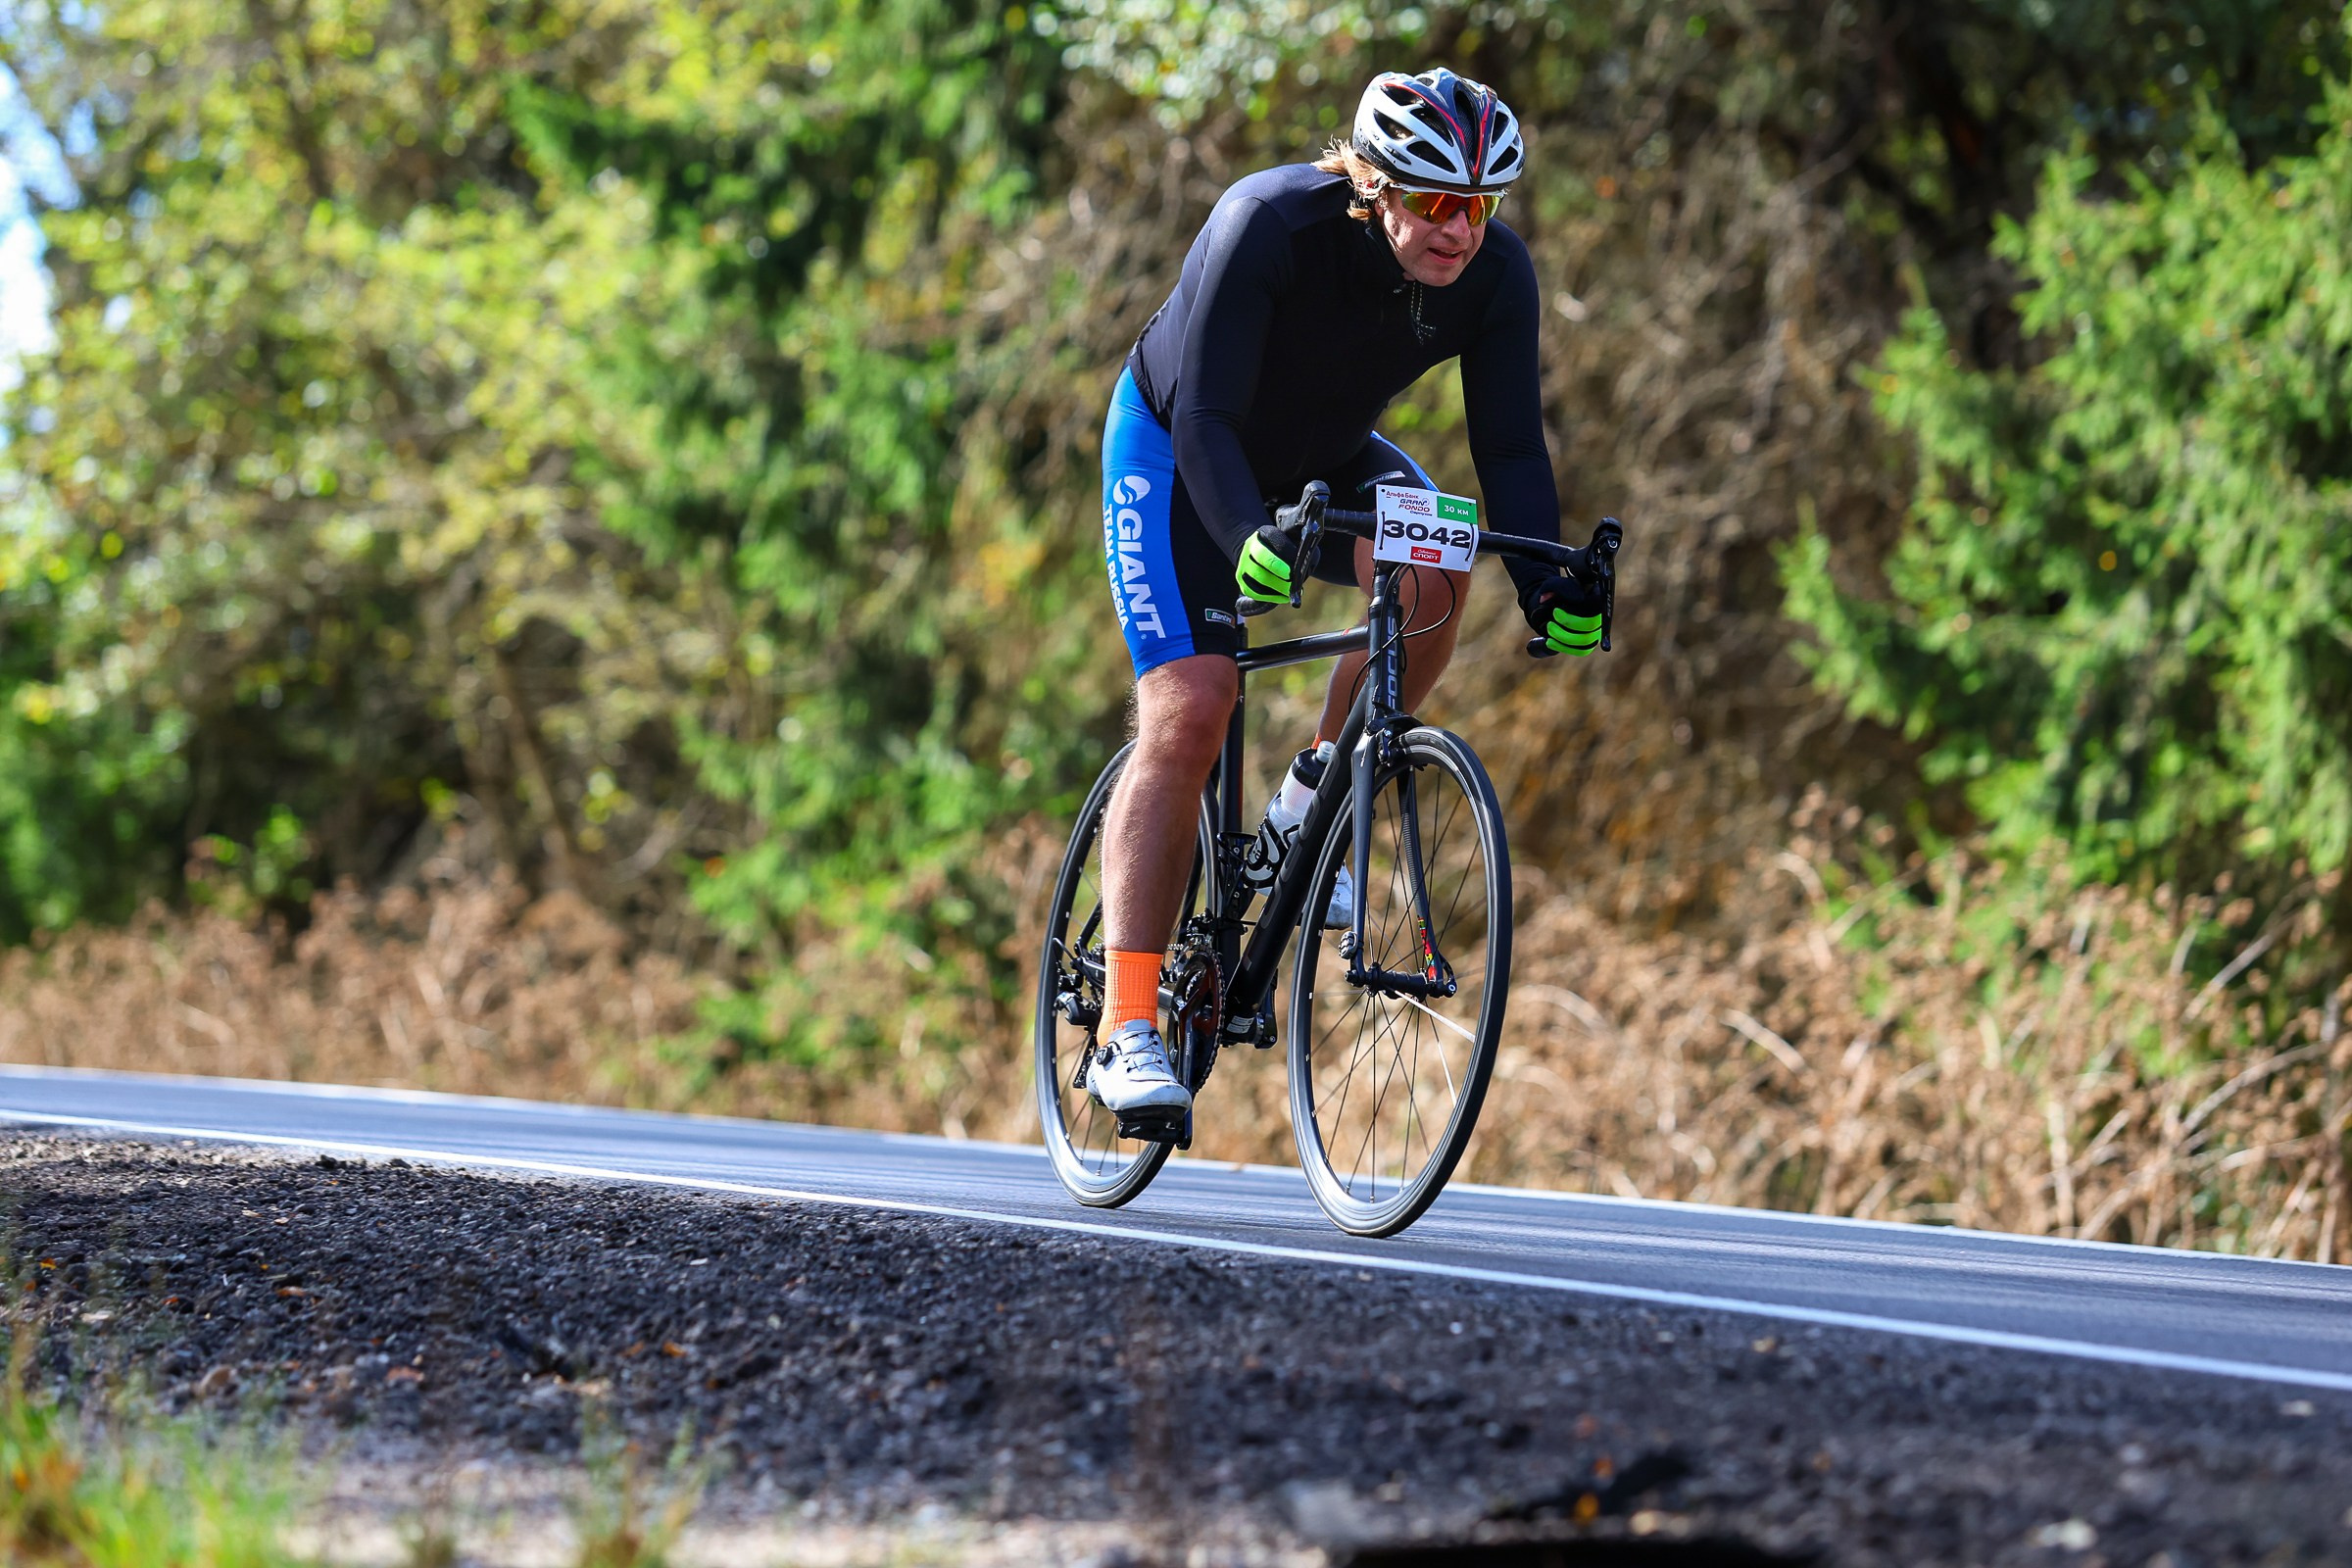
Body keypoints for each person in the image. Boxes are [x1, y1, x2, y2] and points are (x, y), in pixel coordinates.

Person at [1088, 69, 1603, 1118]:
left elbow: (1508, 444)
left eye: (1480, 204)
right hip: (1180, 450)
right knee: (1192, 706)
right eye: (1435, 202)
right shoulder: (1268, 223)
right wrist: (1246, 537)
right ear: (1373, 185)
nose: (1460, 229)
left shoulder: (1498, 276)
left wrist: (1548, 580)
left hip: (1325, 459)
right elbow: (1207, 423)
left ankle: (1318, 791)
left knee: (1442, 552)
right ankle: (1125, 1025)